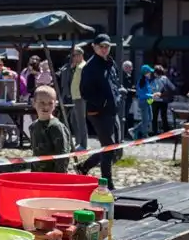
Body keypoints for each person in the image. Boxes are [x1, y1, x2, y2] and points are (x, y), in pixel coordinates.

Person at [78, 34, 122, 189]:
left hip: (112, 110)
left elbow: (115, 82)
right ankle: (107, 182)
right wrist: (102, 102)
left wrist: (119, 93)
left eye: (107, 46)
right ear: (94, 47)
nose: (104, 49)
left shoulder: (110, 62)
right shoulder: (90, 67)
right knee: (108, 147)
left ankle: (85, 166)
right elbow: (84, 92)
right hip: (98, 113)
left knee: (114, 146)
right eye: (101, 46)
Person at [29, 85, 72, 173]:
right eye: (42, 102)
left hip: (53, 177)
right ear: (34, 103)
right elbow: (35, 153)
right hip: (37, 175)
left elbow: (63, 156)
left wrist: (59, 178)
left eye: (50, 103)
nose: (46, 106)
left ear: (55, 104)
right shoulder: (33, 127)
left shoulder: (56, 127)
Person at [66, 47, 88, 151]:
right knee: (74, 120)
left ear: (80, 55)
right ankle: (79, 142)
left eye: (74, 55)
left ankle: (83, 144)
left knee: (81, 121)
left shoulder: (83, 66)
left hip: (80, 97)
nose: (73, 58)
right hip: (75, 96)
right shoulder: (77, 66)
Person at [151, 65, 175, 133]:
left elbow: (151, 91)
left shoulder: (154, 81)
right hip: (164, 100)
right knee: (164, 117)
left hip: (155, 100)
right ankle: (166, 133)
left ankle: (154, 132)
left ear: (156, 73)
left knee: (154, 118)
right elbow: (173, 88)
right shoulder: (165, 79)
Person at [134, 65, 155, 139]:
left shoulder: (146, 81)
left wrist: (152, 94)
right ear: (145, 73)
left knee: (150, 118)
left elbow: (148, 91)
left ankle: (135, 129)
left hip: (148, 102)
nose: (150, 74)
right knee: (145, 120)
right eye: (149, 72)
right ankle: (144, 135)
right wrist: (152, 95)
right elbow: (141, 94)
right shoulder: (141, 81)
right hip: (143, 102)